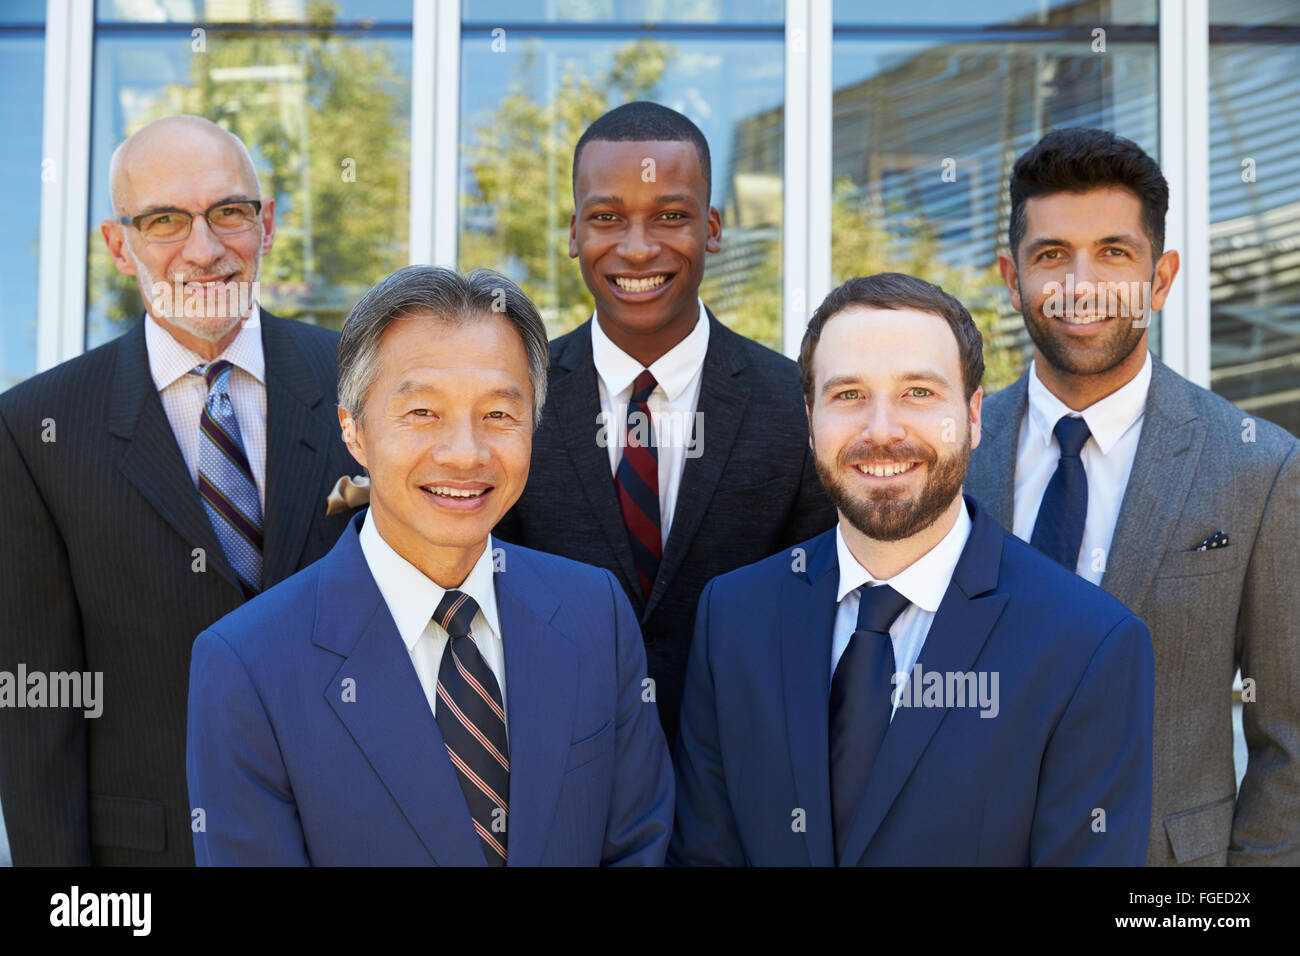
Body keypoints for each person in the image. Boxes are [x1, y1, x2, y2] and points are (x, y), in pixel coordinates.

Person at [186, 266, 673, 866]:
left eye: (499, 414)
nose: (465, 453)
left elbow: (639, 847)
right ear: (354, 430)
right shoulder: (248, 664)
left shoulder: (594, 613)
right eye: (422, 413)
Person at [670, 273, 1155, 866]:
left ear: (974, 416)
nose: (882, 431)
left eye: (919, 393)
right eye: (847, 395)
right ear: (810, 418)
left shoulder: (1088, 646)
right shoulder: (732, 619)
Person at [0, 115, 363, 866]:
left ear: (267, 225)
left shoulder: (361, 380)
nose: (204, 249)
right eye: (165, 220)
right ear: (117, 245)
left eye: (229, 212)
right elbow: (39, 707)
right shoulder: (35, 427)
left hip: (358, 834)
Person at [965, 128, 1300, 866]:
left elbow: (1291, 743)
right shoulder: (949, 451)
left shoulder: (1257, 467)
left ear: (1161, 277)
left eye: (1114, 252)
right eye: (1051, 255)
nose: (1082, 284)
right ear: (1010, 277)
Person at [493, 101, 835, 747]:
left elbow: (813, 621)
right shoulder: (514, 401)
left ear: (712, 227)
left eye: (671, 216)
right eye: (607, 218)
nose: (638, 246)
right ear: (574, 233)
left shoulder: (796, 406)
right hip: (552, 784)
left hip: (743, 791)